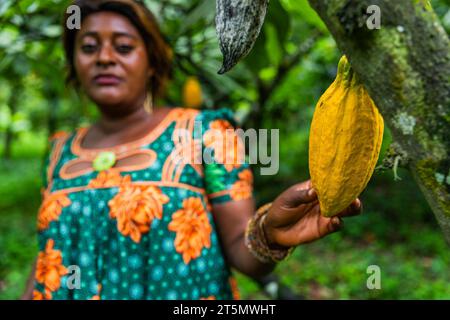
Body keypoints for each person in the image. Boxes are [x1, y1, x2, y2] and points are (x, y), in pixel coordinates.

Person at [21, 0, 362, 300]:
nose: (105, 58)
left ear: (152, 62)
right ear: (74, 62)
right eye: (89, 47)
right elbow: (47, 259)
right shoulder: (59, 150)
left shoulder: (204, 133)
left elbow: (239, 249)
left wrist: (269, 233)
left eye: (123, 47)